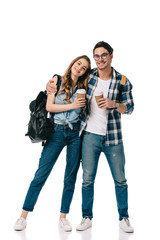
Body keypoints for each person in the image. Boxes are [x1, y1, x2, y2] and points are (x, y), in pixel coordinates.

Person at [47, 41, 134, 233]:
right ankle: (87, 216)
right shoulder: (90, 75)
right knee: (87, 180)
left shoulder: (122, 81)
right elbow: (69, 78)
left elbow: (130, 107)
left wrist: (114, 104)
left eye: (104, 55)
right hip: (89, 136)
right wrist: (51, 82)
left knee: (120, 179)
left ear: (111, 56)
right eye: (96, 56)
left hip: (113, 139)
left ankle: (124, 217)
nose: (100, 59)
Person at [14, 55, 91, 232]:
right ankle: (23, 216)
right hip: (56, 132)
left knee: (70, 177)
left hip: (75, 134)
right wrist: (72, 105)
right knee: (41, 174)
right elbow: (50, 107)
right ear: (73, 63)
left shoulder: (83, 87)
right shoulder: (57, 80)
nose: (79, 68)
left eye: (84, 67)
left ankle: (63, 217)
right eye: (78, 63)